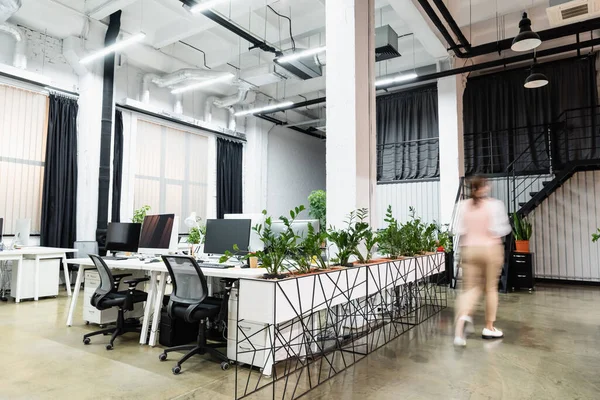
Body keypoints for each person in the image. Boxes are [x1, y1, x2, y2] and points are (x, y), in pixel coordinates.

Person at [453, 176, 511, 347]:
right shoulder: (494, 205)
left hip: (469, 250)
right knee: (490, 288)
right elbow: (502, 229)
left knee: (469, 289)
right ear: (484, 188)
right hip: (490, 250)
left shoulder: (462, 206)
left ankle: (460, 326)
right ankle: (489, 327)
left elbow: (456, 230)